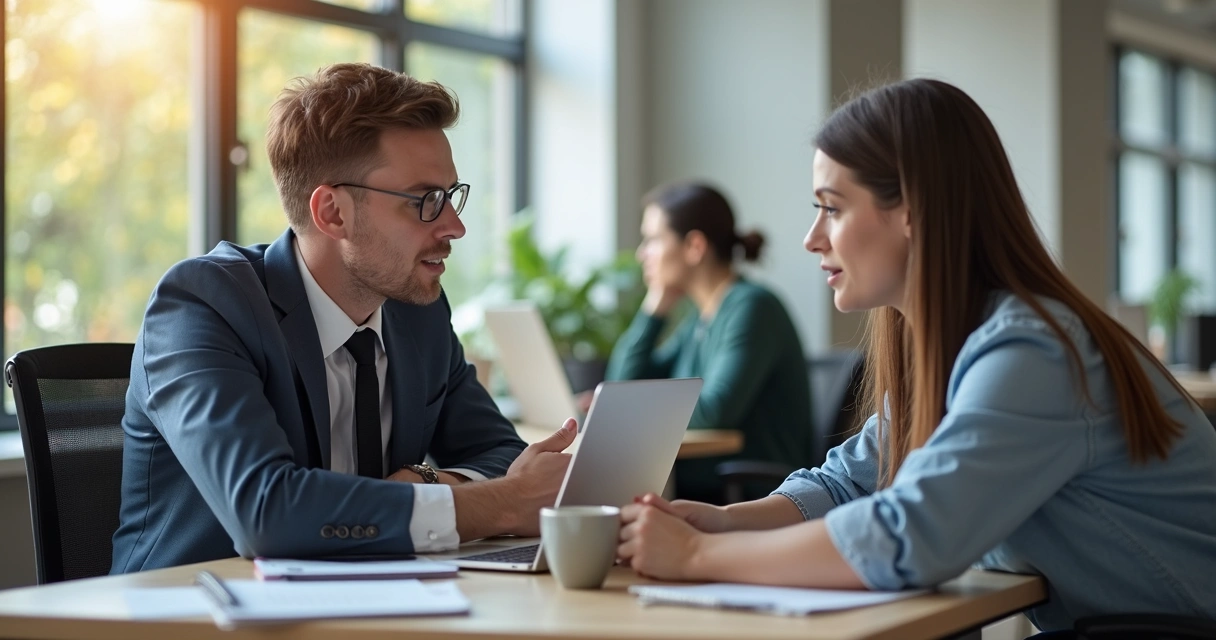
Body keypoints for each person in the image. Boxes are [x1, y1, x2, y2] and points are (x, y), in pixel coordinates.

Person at [615, 79, 1216, 633]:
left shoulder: (1035, 350)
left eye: (833, 207)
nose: (812, 238)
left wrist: (697, 555)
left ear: (911, 212)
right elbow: (851, 482)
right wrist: (721, 521)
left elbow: (911, 536)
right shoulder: (951, 345)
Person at [111, 63, 574, 573]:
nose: (454, 226)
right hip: (191, 617)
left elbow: (501, 455)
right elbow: (266, 513)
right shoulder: (203, 306)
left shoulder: (415, 313)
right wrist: (502, 504)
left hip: (365, 607)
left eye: (451, 196)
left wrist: (424, 482)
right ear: (332, 212)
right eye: (426, 201)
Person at [603, 182, 811, 504]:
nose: (642, 253)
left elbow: (714, 412)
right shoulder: (700, 319)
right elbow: (624, 384)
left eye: (654, 240)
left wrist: (631, 408)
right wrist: (654, 309)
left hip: (753, 496)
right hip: (702, 486)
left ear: (694, 247)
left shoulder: (752, 307)